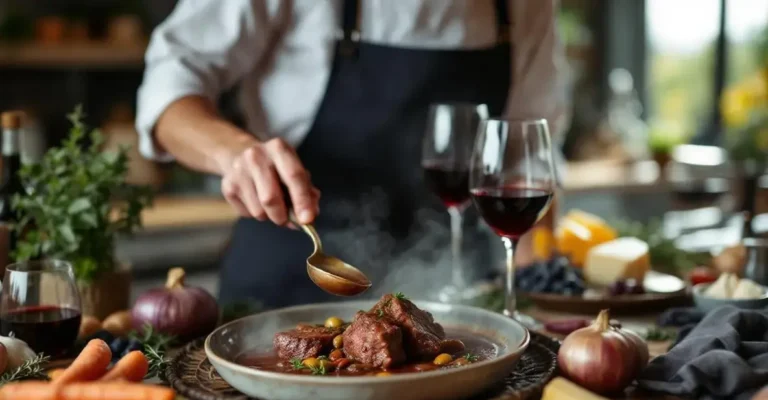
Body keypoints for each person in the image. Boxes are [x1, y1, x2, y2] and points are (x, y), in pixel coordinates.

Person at [137, 0, 568, 307]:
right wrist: (234, 153)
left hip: (455, 299)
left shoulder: (525, 7)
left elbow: (528, 158)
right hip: (284, 290)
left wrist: (533, 293)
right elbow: (169, 87)